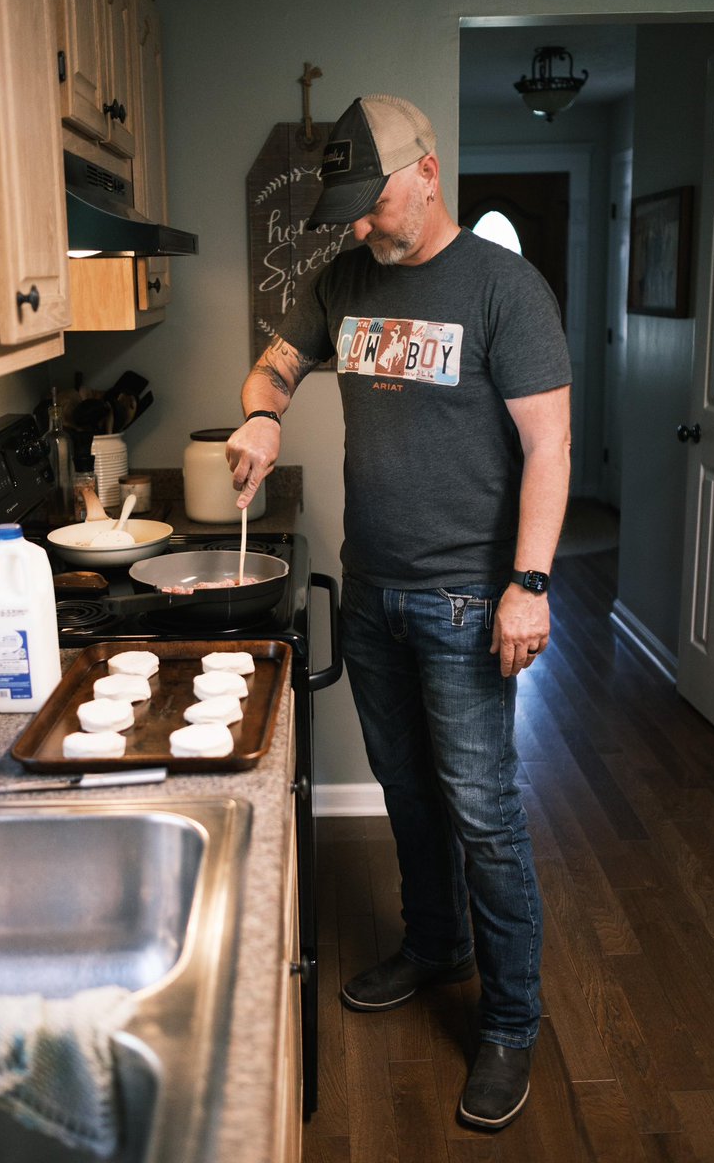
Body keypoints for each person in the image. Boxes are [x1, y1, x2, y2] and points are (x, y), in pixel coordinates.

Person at [226, 93, 571, 1130]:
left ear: (425, 171)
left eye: (371, 203)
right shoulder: (345, 276)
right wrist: (260, 415)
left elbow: (548, 449)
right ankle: (434, 945)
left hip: (470, 597)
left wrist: (530, 583)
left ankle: (509, 1020)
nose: (361, 224)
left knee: (483, 815)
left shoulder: (504, 289)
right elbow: (274, 364)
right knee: (407, 796)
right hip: (370, 588)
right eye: (349, 209)